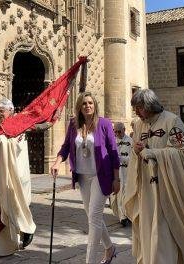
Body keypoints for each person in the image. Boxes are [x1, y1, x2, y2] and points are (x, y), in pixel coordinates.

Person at [123, 89, 184, 264]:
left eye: (139, 108)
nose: (137, 113)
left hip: (169, 188)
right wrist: (137, 151)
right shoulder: (139, 124)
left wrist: (153, 153)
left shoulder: (172, 121)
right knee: (150, 230)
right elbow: (137, 151)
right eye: (135, 109)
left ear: (150, 106)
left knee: (164, 232)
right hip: (147, 189)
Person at [51, 92, 120, 264]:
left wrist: (117, 178)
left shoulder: (104, 123)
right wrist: (57, 162)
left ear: (95, 105)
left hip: (101, 175)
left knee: (94, 216)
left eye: (90, 103)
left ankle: (90, 260)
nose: (87, 106)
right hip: (82, 176)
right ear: (79, 107)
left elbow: (113, 151)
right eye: (84, 104)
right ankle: (110, 248)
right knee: (92, 216)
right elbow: (66, 146)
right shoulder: (74, 124)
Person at [0, 98, 35, 256]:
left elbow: (15, 144)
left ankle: (23, 232)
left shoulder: (17, 125)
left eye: (1, 111)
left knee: (10, 206)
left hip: (11, 175)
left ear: (11, 110)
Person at [110, 122, 132, 227]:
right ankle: (121, 216)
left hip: (126, 172)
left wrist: (122, 159)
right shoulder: (112, 141)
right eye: (116, 131)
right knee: (117, 196)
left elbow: (133, 158)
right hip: (115, 173)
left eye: (120, 131)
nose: (117, 133)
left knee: (125, 194)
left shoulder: (130, 141)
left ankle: (125, 216)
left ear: (124, 130)